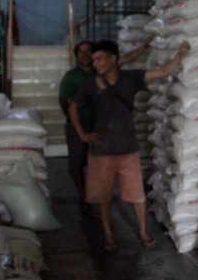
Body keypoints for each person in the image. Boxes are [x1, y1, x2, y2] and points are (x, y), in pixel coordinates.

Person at [69, 39, 190, 251]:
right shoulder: (89, 85)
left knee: (137, 194)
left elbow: (162, 72)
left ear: (113, 59)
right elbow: (73, 107)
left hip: (128, 148)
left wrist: (180, 54)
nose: (95, 63)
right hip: (101, 150)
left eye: (99, 58)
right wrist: (82, 134)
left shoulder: (131, 78)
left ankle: (143, 232)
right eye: (94, 59)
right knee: (102, 196)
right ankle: (108, 234)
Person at [58, 38, 152, 211]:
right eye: (81, 51)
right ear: (77, 55)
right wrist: (75, 122)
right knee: (77, 163)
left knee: (100, 169)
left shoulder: (104, 68)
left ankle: (97, 200)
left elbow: (128, 57)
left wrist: (145, 45)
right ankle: (83, 196)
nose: (86, 55)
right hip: (81, 127)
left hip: (101, 129)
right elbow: (65, 102)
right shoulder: (72, 76)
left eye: (89, 51)